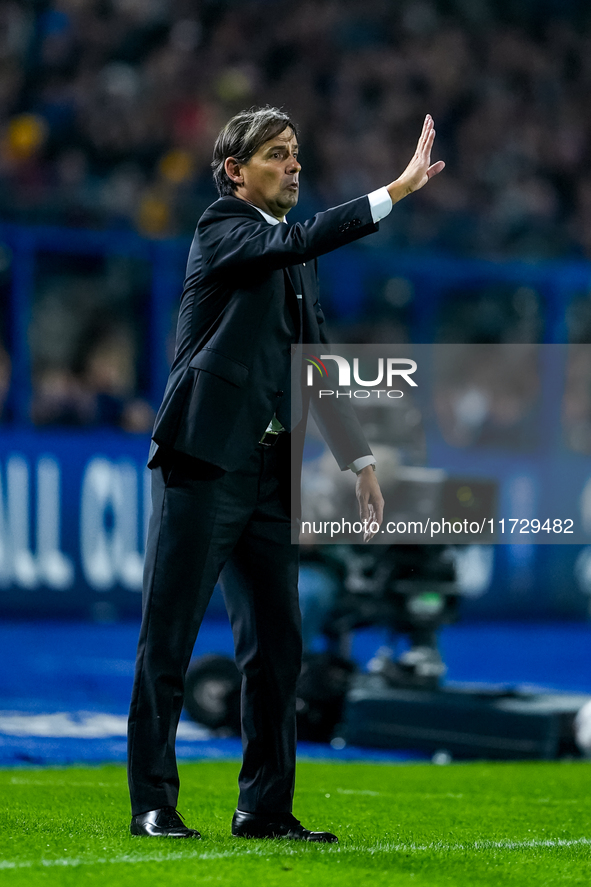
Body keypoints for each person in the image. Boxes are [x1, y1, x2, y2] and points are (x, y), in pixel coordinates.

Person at [127, 106, 444, 842]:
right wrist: (392, 192)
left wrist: (357, 458)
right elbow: (298, 237)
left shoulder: (291, 254)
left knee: (277, 647)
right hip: (203, 461)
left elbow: (317, 363)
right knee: (167, 639)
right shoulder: (222, 228)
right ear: (236, 171)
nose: (293, 165)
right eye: (276, 154)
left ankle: (263, 807)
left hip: (271, 472)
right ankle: (152, 803)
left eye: (296, 153)